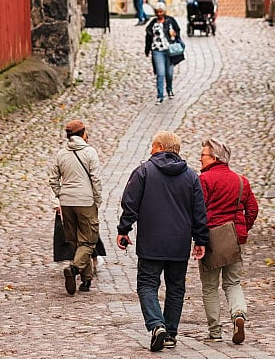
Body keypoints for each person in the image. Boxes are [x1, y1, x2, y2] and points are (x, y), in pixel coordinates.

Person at [116, 131, 209, 352]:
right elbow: (199, 212)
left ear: (159, 147)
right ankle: (170, 334)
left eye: (152, 146)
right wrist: (201, 239)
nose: (150, 150)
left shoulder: (144, 172)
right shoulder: (191, 176)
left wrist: (124, 229)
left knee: (147, 285)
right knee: (176, 288)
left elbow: (130, 203)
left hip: (151, 242)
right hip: (179, 243)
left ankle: (157, 325)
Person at [198, 138, 258, 344]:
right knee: (233, 282)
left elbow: (198, 211)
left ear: (214, 157)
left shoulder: (204, 180)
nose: (200, 158)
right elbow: (252, 209)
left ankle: (215, 331)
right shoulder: (241, 180)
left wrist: (197, 236)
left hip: (211, 238)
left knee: (210, 286)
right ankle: (238, 314)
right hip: (235, 237)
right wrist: (241, 230)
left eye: (203, 155)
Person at [48, 120, 102, 295]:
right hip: (85, 201)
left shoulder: (61, 154)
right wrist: (97, 200)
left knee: (76, 241)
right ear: (83, 134)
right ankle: (74, 269)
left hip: (67, 203)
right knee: (89, 240)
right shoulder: (89, 152)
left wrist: (60, 194)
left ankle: (86, 281)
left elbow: (53, 179)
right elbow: (96, 179)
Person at [144, 2, 184, 105]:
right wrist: (147, 50)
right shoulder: (152, 23)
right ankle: (160, 95)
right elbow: (148, 37)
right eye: (157, 12)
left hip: (169, 51)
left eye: (161, 11)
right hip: (157, 51)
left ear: (164, 11)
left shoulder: (170, 21)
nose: (159, 14)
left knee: (169, 73)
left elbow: (178, 32)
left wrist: (174, 34)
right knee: (160, 73)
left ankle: (169, 89)